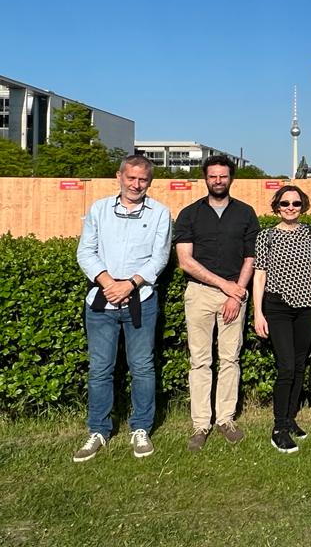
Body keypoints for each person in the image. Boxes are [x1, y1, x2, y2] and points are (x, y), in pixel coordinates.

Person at [73, 155, 172, 462]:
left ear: (149, 182)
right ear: (119, 176)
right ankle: (98, 430)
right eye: (131, 178)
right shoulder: (99, 209)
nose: (136, 184)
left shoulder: (160, 213)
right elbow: (85, 253)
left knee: (142, 367)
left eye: (142, 180)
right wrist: (108, 283)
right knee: (100, 368)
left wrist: (129, 284)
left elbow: (160, 258)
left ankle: (140, 428)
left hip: (140, 299)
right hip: (101, 301)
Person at [174, 154, 260, 451]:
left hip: (235, 293)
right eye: (213, 176)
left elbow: (251, 257)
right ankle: (200, 424)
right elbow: (185, 261)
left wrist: (236, 291)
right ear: (205, 178)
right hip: (199, 293)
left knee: (230, 359)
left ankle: (225, 419)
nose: (218, 181)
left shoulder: (246, 213)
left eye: (223, 176)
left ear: (231, 178)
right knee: (200, 361)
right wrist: (226, 286)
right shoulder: (189, 214)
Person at [252, 185, 311, 453]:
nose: (290, 208)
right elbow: (259, 276)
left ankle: (291, 418)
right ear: (277, 206)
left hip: (307, 306)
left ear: (302, 205)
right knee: (286, 367)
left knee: (299, 364)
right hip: (278, 306)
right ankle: (279, 427)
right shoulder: (266, 236)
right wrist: (258, 312)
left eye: (295, 203)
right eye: (285, 203)